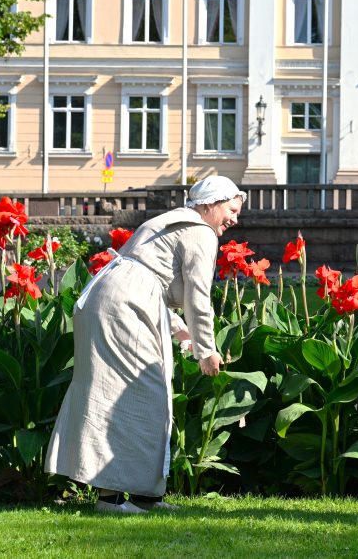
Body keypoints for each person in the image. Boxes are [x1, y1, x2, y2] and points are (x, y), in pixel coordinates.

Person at [45, 176, 245, 513]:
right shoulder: (200, 231)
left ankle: (144, 497)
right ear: (210, 204)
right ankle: (112, 499)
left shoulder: (169, 221)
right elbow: (198, 296)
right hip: (125, 305)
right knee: (132, 395)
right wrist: (206, 350)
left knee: (133, 394)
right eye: (232, 210)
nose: (234, 219)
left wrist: (180, 330)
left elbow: (153, 282)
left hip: (111, 299)